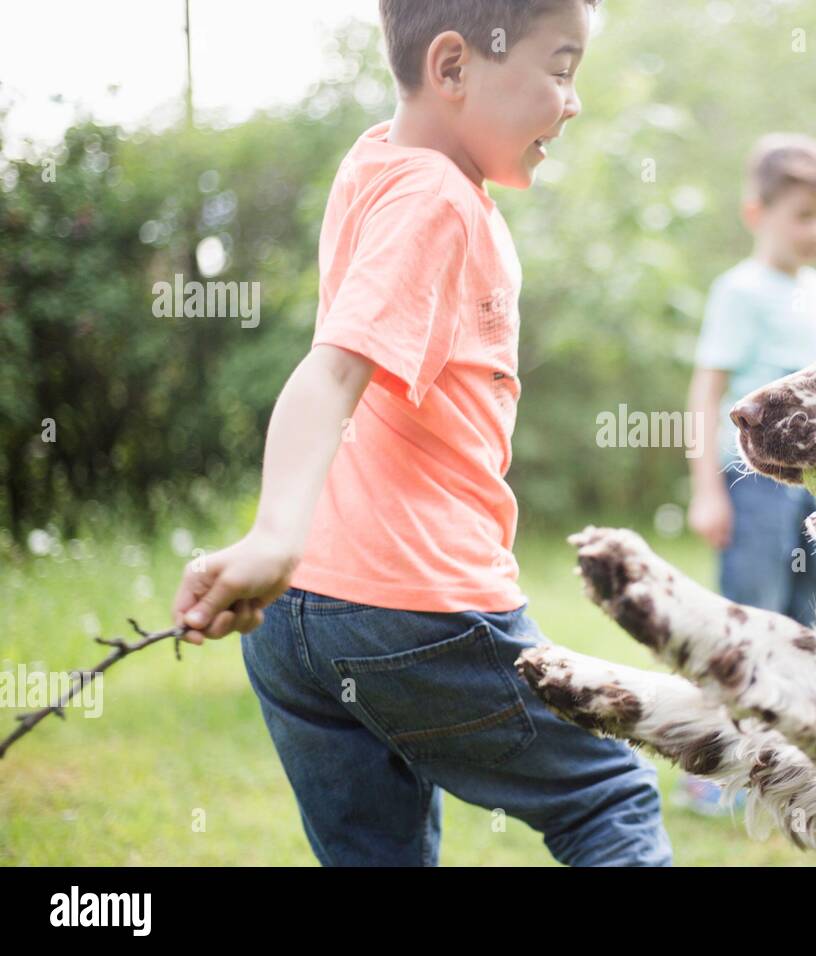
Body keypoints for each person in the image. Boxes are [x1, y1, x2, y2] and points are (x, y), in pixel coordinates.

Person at [170, 0, 672, 867]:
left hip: (301, 631)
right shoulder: (437, 197)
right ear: (452, 68)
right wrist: (273, 535)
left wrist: (291, 558)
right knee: (605, 795)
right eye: (559, 69)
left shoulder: (378, 162)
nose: (573, 100)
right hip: (415, 605)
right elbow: (330, 372)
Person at [680, 133, 816, 815]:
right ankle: (707, 767)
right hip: (748, 487)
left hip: (809, 489)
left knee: (806, 620)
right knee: (744, 622)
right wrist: (704, 490)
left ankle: (784, 758)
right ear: (759, 213)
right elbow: (706, 392)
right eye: (803, 216)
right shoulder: (740, 290)